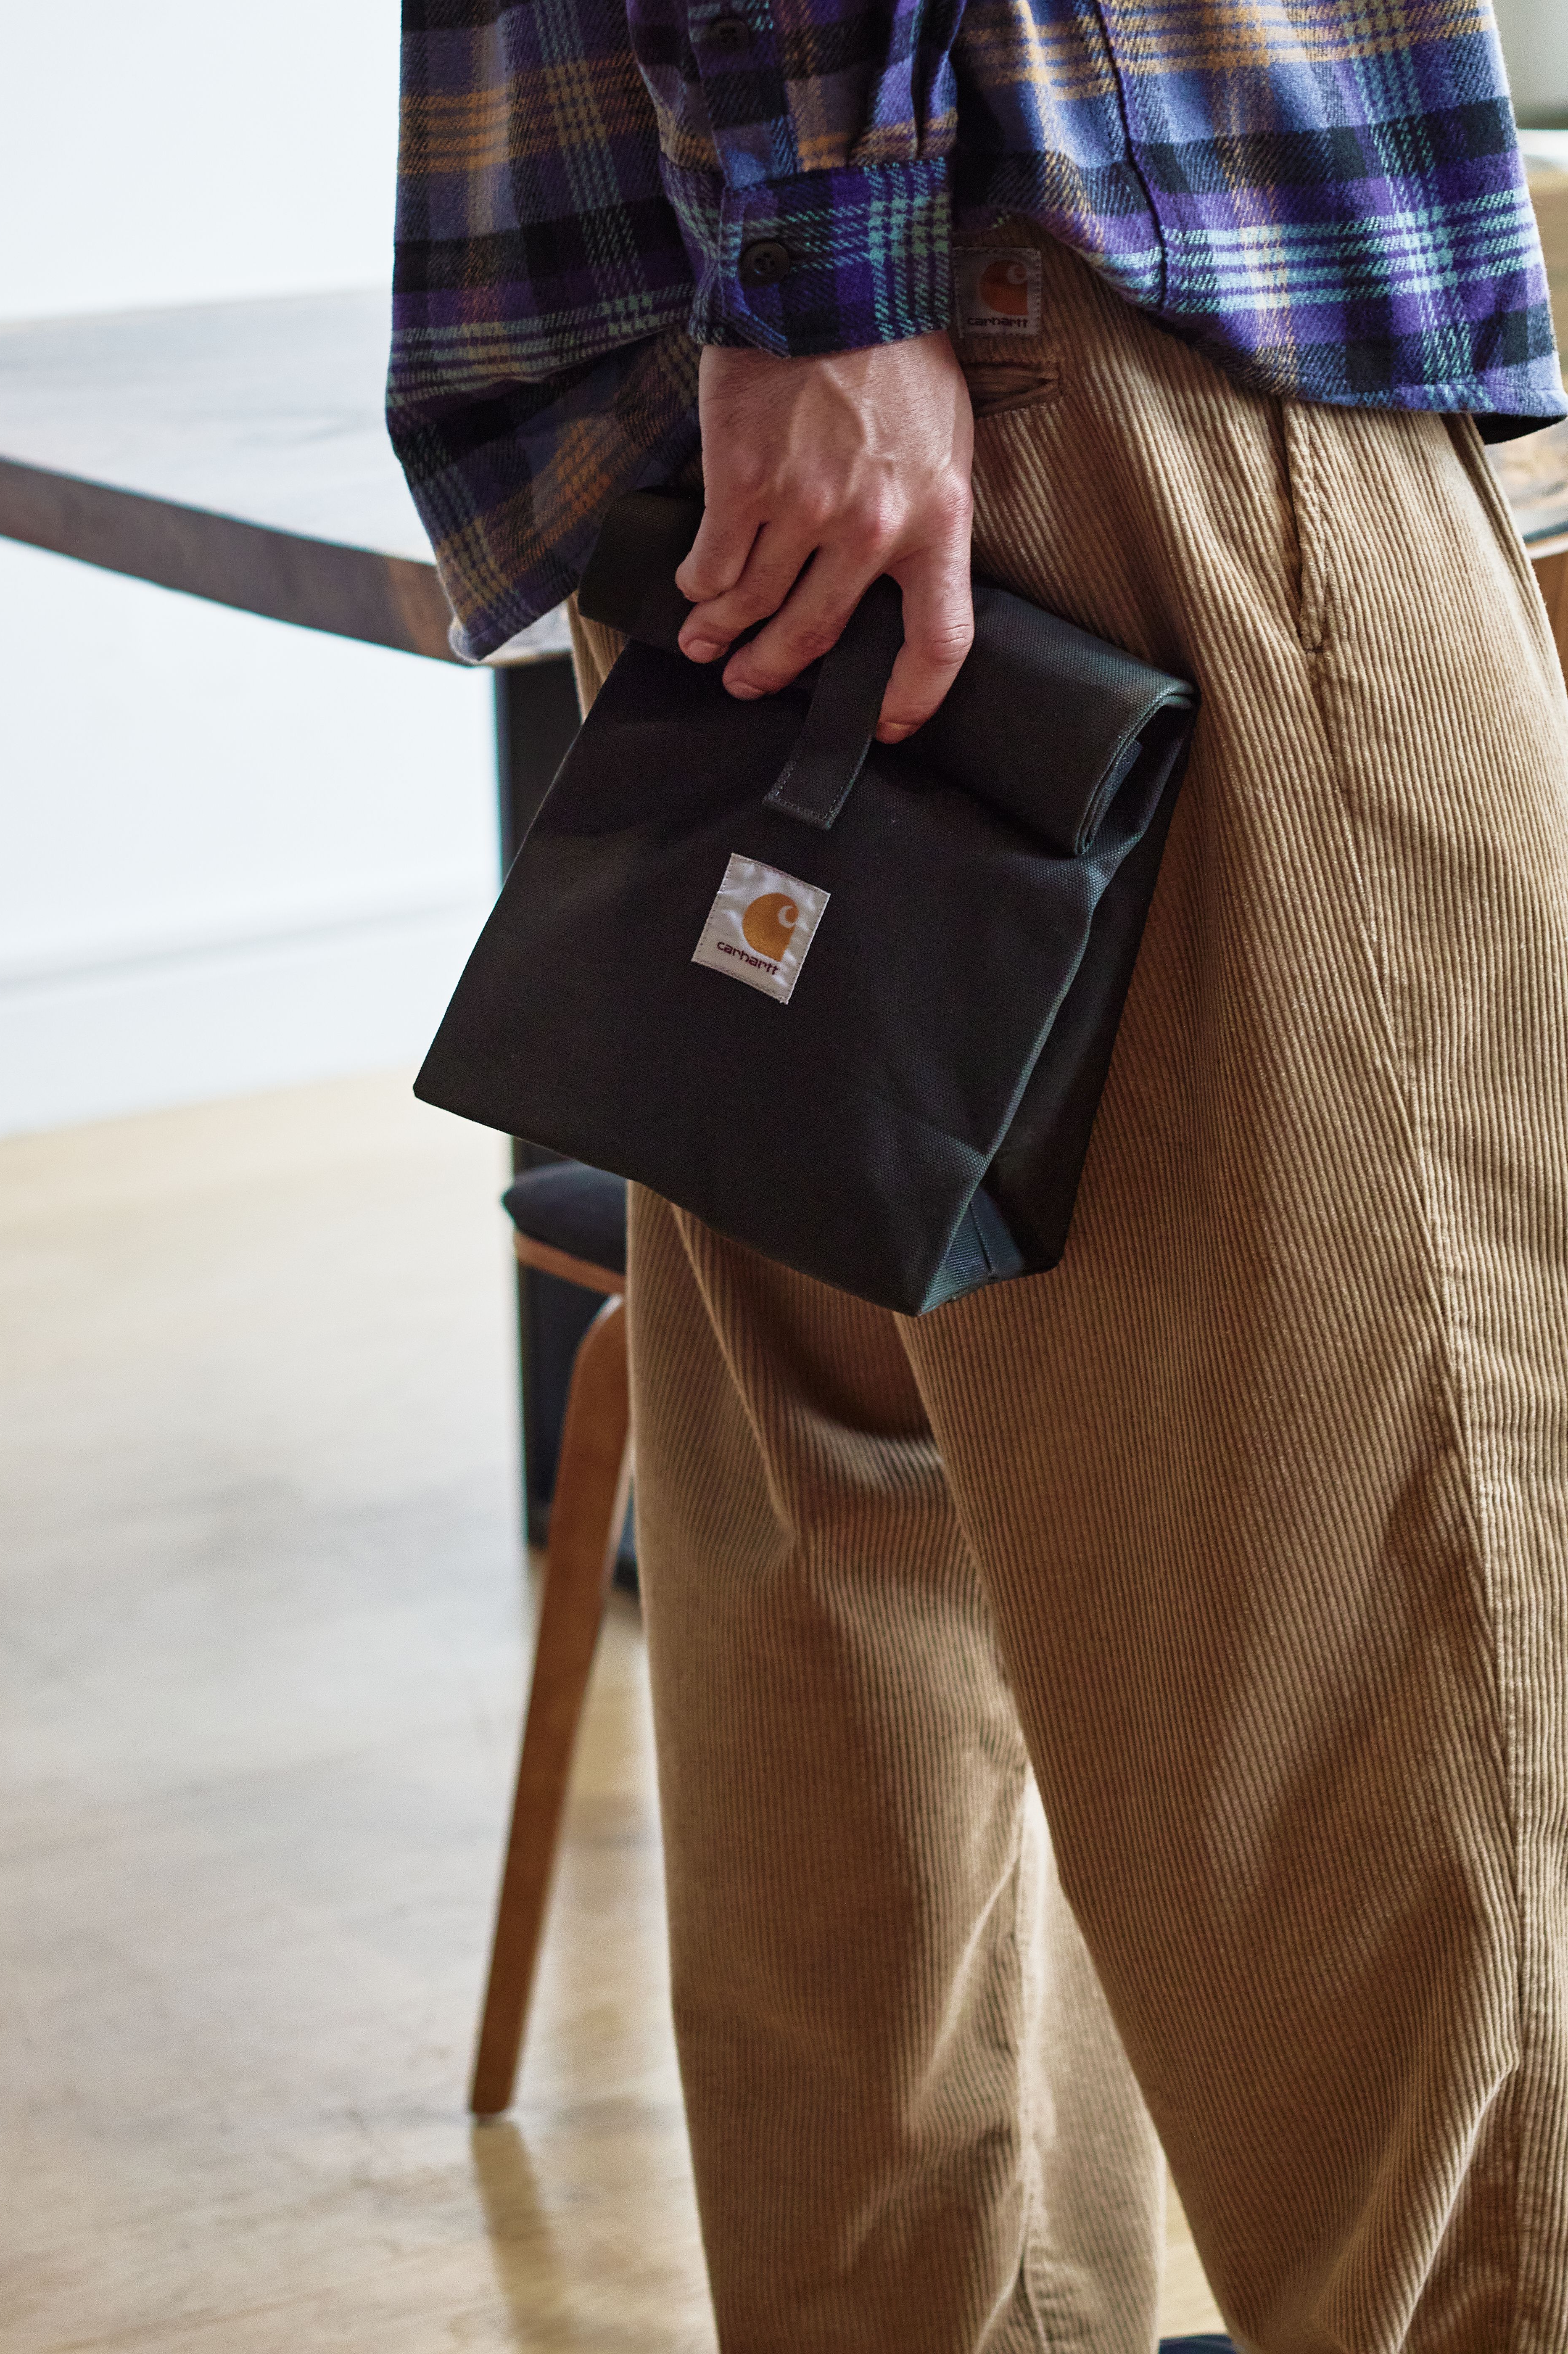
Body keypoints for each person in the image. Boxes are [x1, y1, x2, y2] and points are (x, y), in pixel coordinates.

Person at [389, 3, 1568, 2346]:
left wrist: (812, 262)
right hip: (1055, 308)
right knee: (1426, 1664)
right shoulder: (888, 285)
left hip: (858, 355)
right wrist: (840, 265)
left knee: (873, 1591)